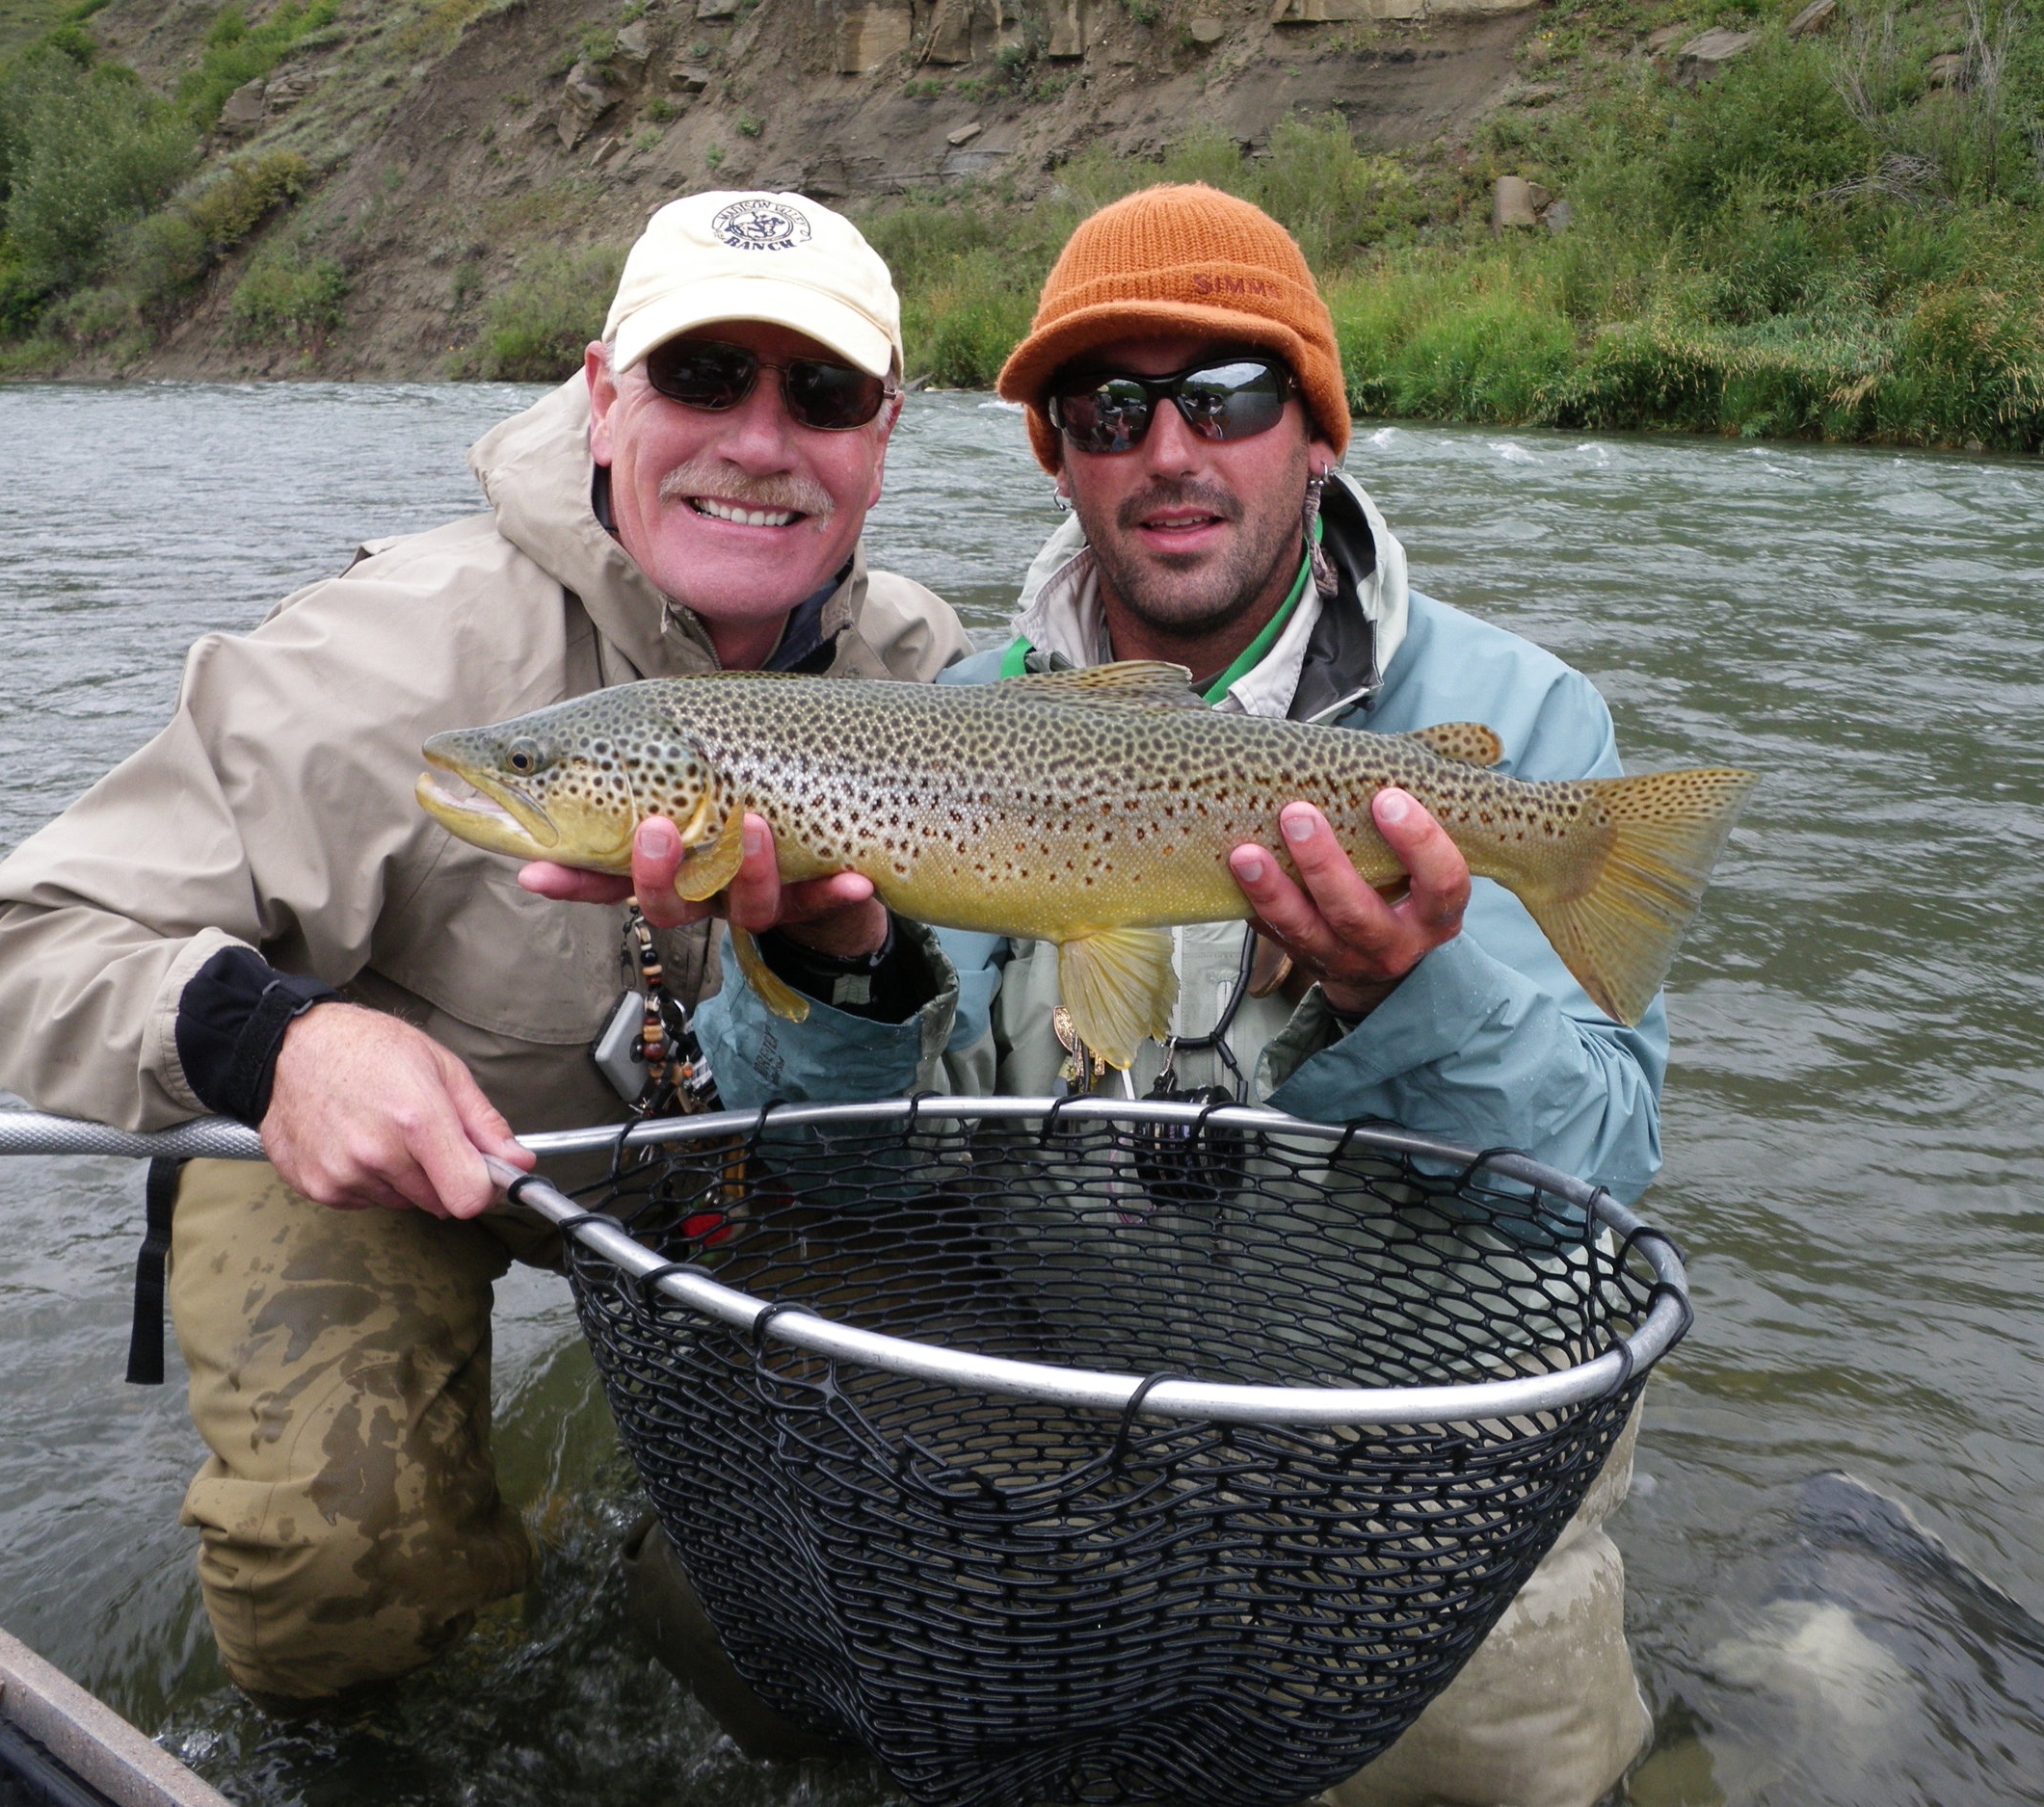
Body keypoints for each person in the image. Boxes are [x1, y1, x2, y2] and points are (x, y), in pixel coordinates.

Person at [612, 185, 1665, 1807]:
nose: (1168, 450)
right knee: (718, 1646)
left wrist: (1410, 1004)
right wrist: (843, 976)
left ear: (1318, 432)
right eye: (1109, 407)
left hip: (1424, 1464)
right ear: (1052, 449)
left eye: (1228, 398)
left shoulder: (1520, 723)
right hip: (1064, 1408)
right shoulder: (955, 725)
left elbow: (1581, 1198)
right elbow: (843, 1179)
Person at [0, 190, 970, 1708]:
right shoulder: (392, 655)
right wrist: (276, 1042)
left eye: (817, 393)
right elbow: (17, 937)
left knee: (882, 1587)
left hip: (729, 1177)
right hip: (383, 1156)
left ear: (884, 435)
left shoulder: (927, 677)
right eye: (700, 378)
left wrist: (850, 971)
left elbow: (951, 1093)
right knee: (342, 1573)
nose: (758, 439)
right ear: (606, 399)